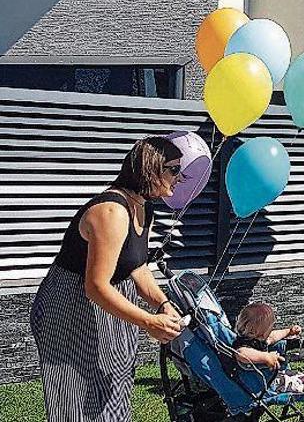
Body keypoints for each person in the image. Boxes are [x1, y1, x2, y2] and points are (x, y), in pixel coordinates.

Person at [30, 137, 187, 420]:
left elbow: (137, 267)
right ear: (149, 168)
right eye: (174, 170)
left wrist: (162, 303)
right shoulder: (112, 211)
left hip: (108, 302)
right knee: (76, 395)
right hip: (69, 306)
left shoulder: (144, 207)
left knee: (114, 382)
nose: (180, 178)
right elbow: (96, 285)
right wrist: (149, 321)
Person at [233, 302, 304, 414]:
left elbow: (273, 336)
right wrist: (266, 357)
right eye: (269, 328)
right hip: (265, 384)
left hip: (270, 375)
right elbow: (241, 354)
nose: (271, 331)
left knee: (294, 375)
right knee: (292, 383)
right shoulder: (243, 344)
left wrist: (289, 331)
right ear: (256, 331)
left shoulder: (257, 338)